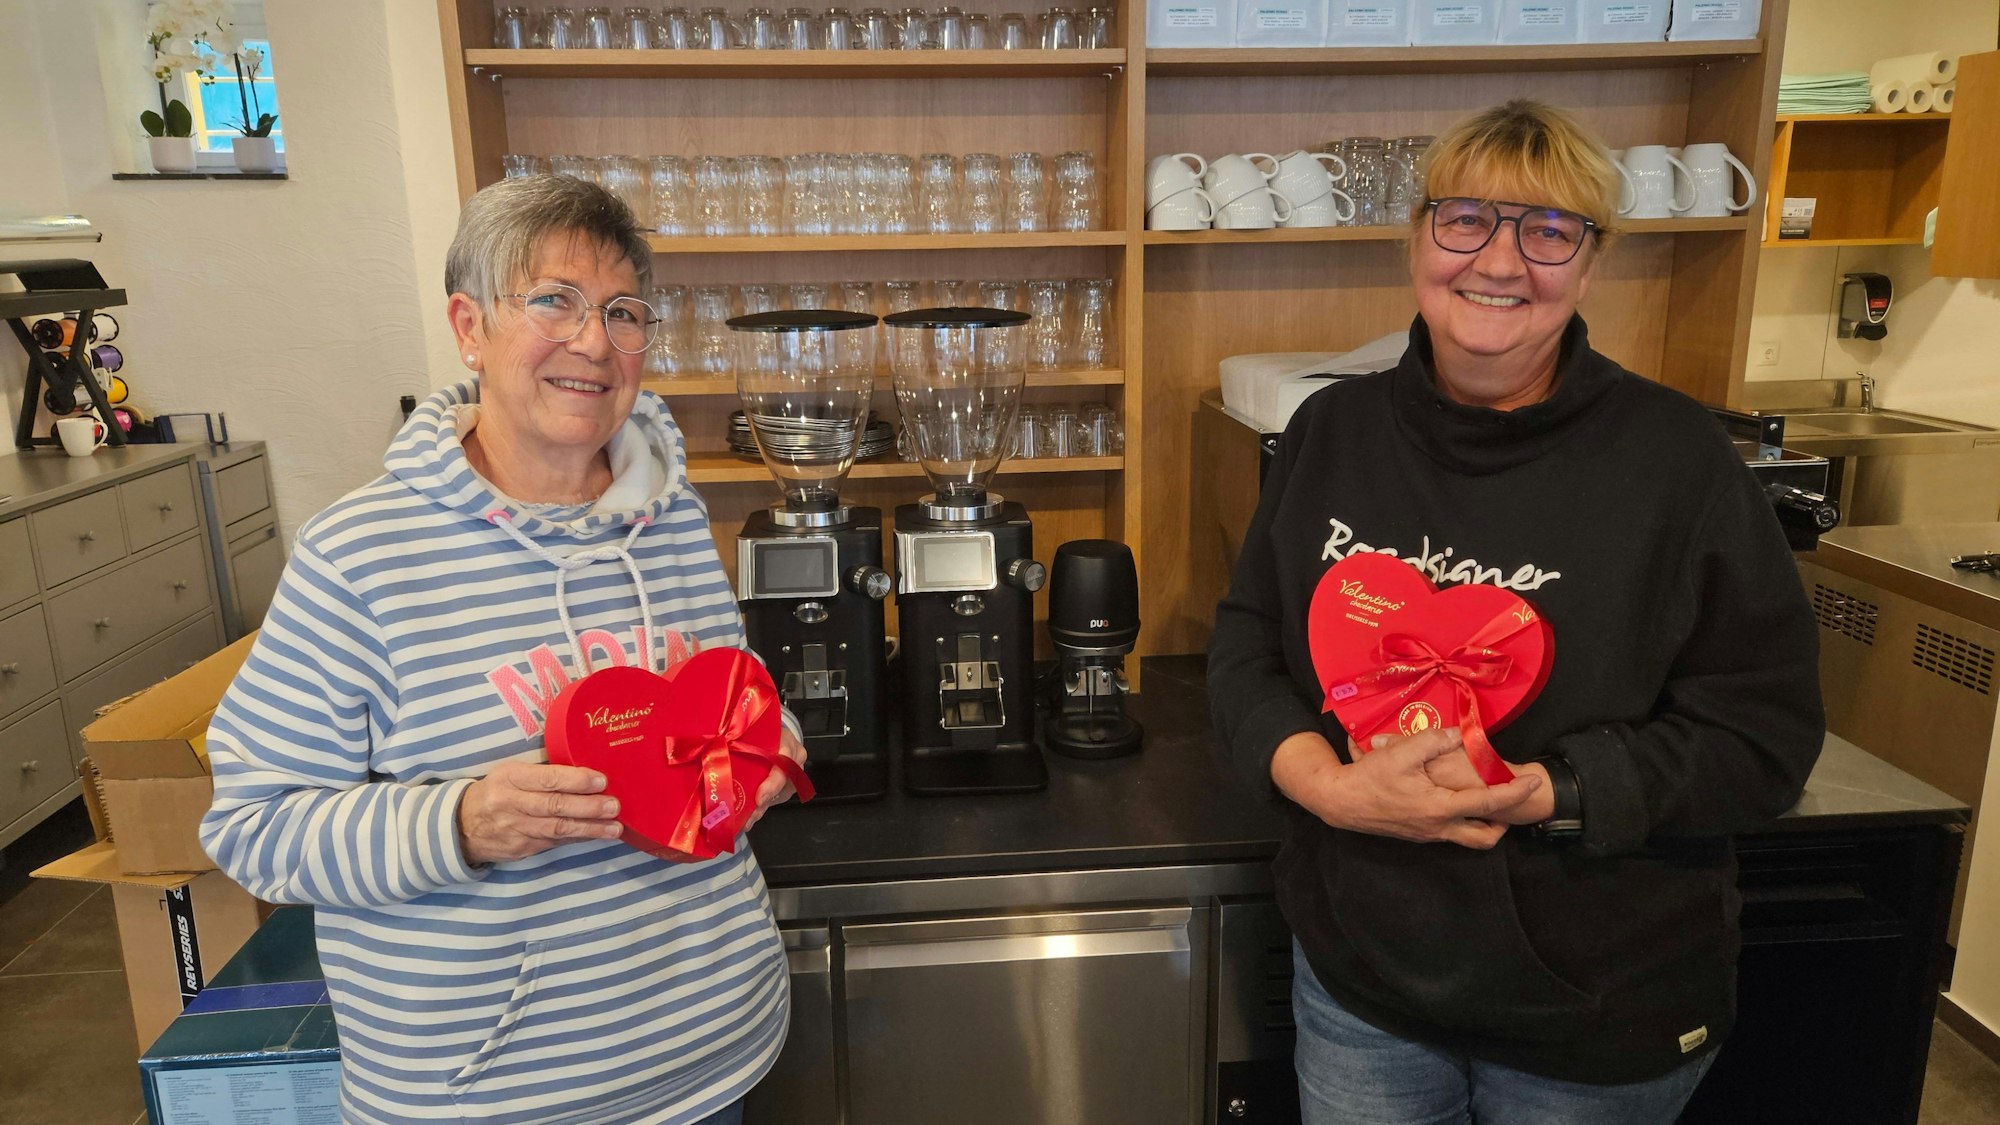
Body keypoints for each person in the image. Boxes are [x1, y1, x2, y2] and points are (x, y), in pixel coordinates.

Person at [1207, 100, 1825, 1124]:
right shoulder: (1330, 430)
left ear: (1591, 262)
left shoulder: (1677, 462)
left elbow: (1763, 738)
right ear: (1417, 238)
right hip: (1364, 989)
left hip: (1596, 1009)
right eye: (1465, 220)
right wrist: (1329, 789)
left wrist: (1547, 792)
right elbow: (1245, 647)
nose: (1499, 261)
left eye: (1547, 231)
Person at [200, 174, 805, 1125]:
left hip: (712, 1058)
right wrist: (461, 824)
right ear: (469, 326)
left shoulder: (674, 519)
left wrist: (767, 742)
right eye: (554, 301)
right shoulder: (358, 556)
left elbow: (732, 694)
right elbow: (253, 826)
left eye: (623, 312)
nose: (594, 342)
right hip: (489, 1099)